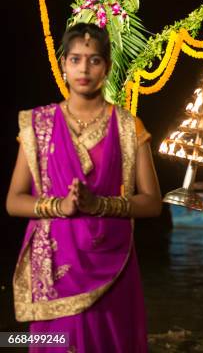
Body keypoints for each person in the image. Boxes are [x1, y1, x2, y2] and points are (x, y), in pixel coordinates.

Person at [6, 23, 162, 352]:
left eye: (94, 60)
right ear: (63, 64)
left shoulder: (128, 126)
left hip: (111, 261)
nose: (84, 69)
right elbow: (13, 200)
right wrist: (58, 206)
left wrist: (100, 205)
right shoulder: (38, 125)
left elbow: (151, 202)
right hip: (54, 265)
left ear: (106, 67)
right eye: (75, 59)